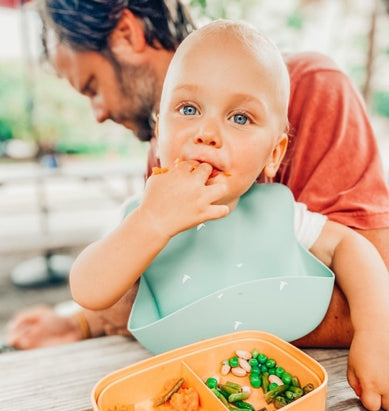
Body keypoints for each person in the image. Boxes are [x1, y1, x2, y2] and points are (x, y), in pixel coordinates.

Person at [6, 0, 389, 350]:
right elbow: (115, 283)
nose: (98, 114)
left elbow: (363, 263)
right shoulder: (163, 174)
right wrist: (82, 323)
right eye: (186, 110)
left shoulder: (312, 89)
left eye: (92, 88)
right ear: (161, 129)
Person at [68, 20, 389, 411]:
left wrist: (376, 333)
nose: (206, 132)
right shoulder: (143, 216)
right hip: (176, 396)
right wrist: (151, 223)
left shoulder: (278, 212)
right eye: (188, 109)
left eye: (240, 118)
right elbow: (88, 289)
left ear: (275, 152)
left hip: (273, 396)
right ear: (159, 131)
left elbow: (350, 246)